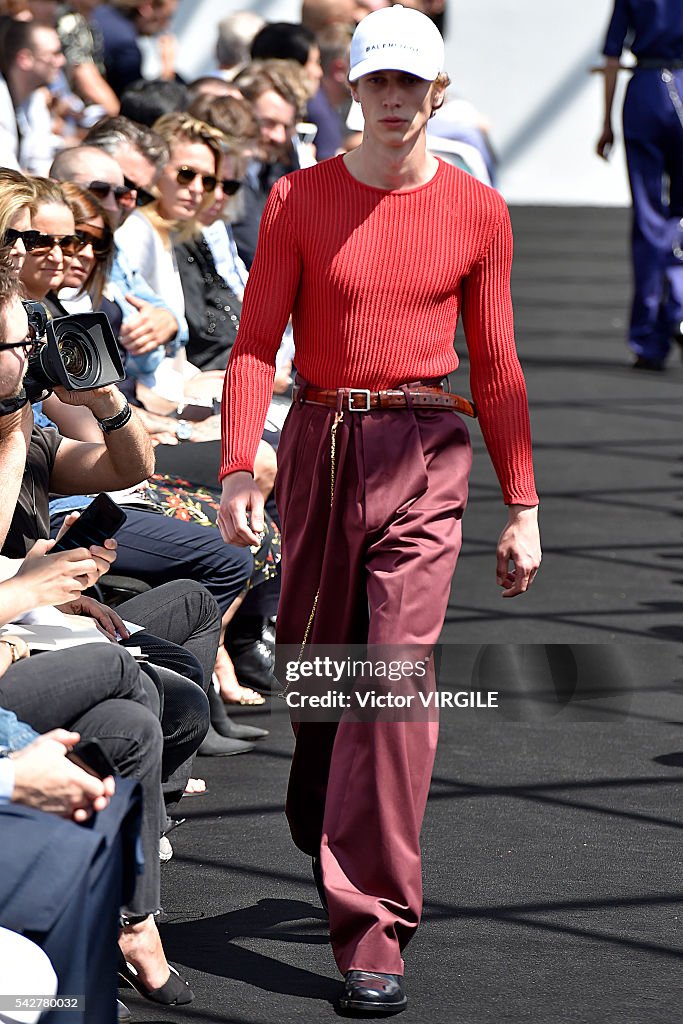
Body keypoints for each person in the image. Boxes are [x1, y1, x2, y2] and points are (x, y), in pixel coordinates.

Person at [218, 5, 541, 1016]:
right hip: (318, 446)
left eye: (413, 84)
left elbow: (493, 364)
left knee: (394, 678)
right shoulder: (296, 200)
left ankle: (372, 925)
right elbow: (252, 346)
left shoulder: (477, 212)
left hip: (424, 449)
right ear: (348, 90)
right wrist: (238, 466)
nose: (395, 101)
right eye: (378, 83)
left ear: (437, 92)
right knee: (326, 676)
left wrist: (521, 502)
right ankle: (323, 796)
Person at [597, 0, 683, 370]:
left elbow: (612, 54)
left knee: (649, 218)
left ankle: (648, 337)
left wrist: (605, 123)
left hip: (646, 90)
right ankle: (680, 305)